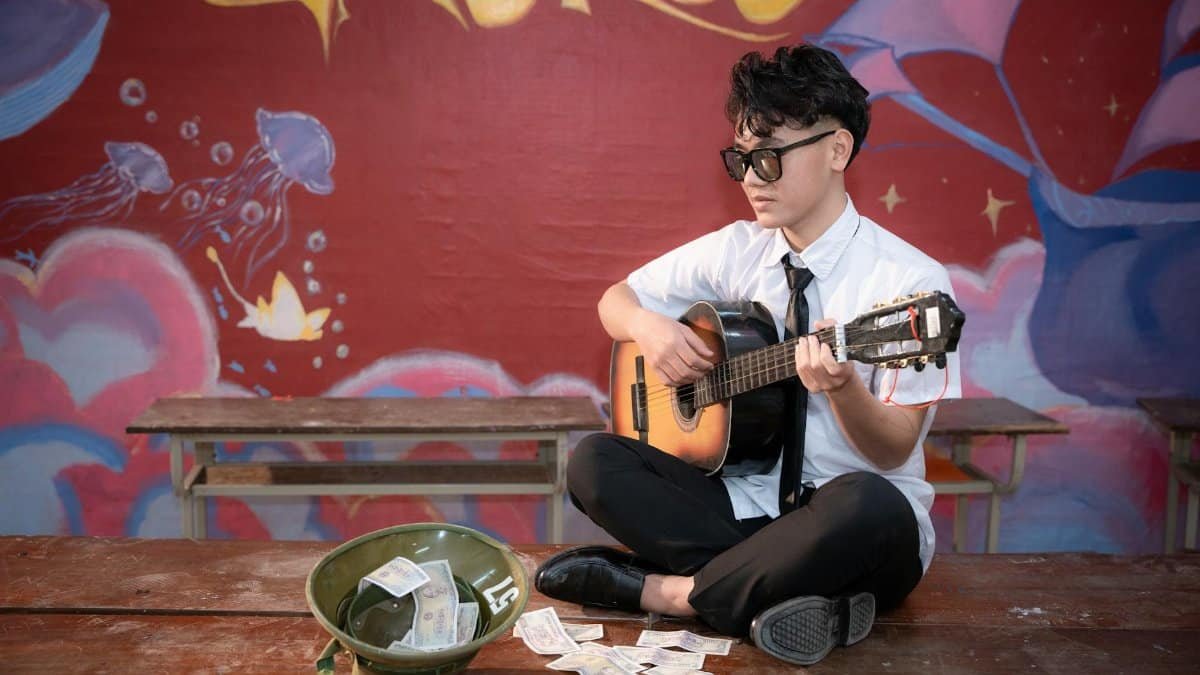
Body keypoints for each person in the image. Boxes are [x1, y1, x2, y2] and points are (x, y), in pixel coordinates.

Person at [534, 43, 962, 666]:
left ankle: (671, 592)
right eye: (742, 160)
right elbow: (616, 300)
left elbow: (895, 449)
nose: (753, 180)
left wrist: (842, 389)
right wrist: (649, 330)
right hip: (747, 512)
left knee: (871, 503)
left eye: (770, 158)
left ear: (837, 150)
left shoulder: (910, 286)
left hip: (848, 527)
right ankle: (788, 599)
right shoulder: (740, 249)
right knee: (594, 462)